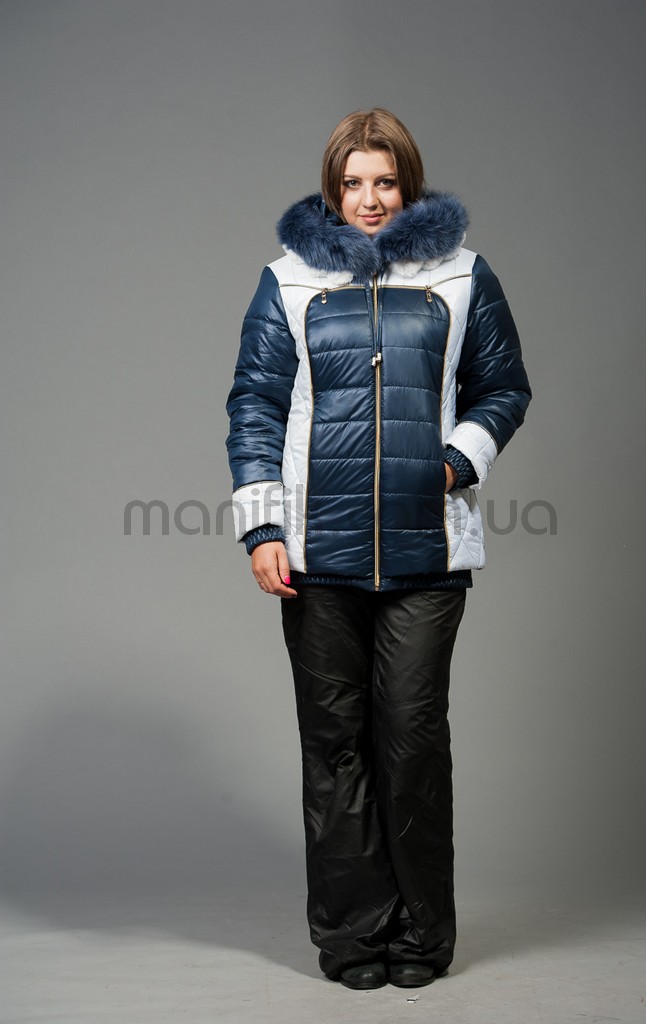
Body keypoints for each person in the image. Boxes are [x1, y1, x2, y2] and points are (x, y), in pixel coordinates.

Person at [225, 108, 531, 990]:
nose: (369, 200)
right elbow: (255, 403)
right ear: (332, 189)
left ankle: (421, 936)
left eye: (385, 181)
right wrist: (263, 527)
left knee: (411, 741)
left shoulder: (462, 274)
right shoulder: (287, 281)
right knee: (334, 747)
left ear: (409, 184)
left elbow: (503, 386)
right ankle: (352, 937)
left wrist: (454, 463)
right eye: (353, 183)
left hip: (427, 556)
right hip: (315, 556)